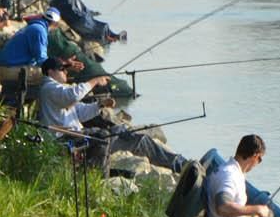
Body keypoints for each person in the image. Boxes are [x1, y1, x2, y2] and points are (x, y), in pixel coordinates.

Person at [37, 57, 184, 170]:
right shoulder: (49, 87)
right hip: (70, 140)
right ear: (50, 72)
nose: (66, 72)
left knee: (124, 132)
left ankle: (177, 163)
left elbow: (80, 112)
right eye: (62, 69)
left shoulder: (57, 91)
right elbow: (73, 95)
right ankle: (179, 164)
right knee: (138, 139)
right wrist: (95, 81)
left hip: (80, 137)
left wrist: (100, 105)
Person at [0, 7, 64, 93]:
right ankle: (45, 104)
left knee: (53, 73)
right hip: (11, 69)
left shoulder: (33, 26)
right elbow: (42, 59)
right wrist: (60, 69)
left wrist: (64, 64)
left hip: (5, 67)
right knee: (57, 77)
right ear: (55, 23)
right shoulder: (39, 30)